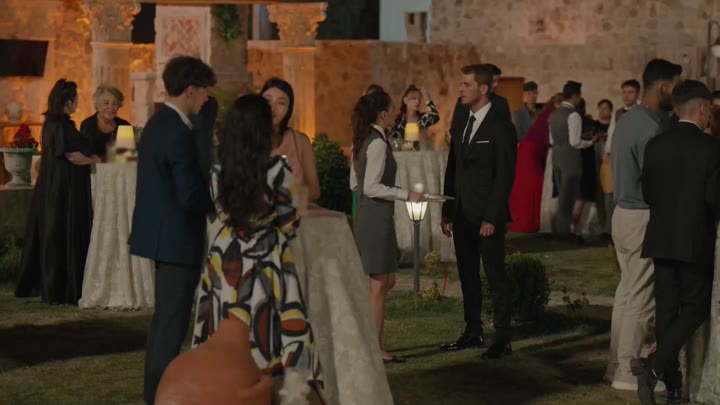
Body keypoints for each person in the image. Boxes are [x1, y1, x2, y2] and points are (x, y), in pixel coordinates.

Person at [192, 94, 322, 399]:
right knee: (271, 326)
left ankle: (227, 387)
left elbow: (220, 211)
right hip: (266, 254)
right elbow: (289, 221)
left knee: (227, 320)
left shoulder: (217, 170)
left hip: (226, 255)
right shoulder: (276, 169)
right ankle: (272, 388)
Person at [128, 56, 217, 405]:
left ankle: (156, 395)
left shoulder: (157, 123)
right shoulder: (177, 131)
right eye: (204, 92)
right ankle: (159, 396)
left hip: (162, 236)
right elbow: (189, 192)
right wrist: (218, 205)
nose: (207, 99)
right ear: (191, 90)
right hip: (176, 239)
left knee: (165, 322)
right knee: (171, 326)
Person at [631, 80, 719, 405]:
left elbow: (647, 193)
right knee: (695, 309)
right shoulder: (711, 147)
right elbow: (714, 199)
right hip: (694, 240)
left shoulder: (656, 144)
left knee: (667, 311)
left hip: (661, 237)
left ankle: (672, 386)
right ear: (702, 108)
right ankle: (654, 366)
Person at [606, 58, 682, 392]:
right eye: (676, 86)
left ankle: (615, 365)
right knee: (640, 298)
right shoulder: (651, 129)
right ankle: (628, 371)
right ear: (663, 87)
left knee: (626, 294)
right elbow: (657, 182)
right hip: (641, 215)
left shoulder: (628, 119)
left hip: (622, 212)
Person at [440, 64, 517, 359]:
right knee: (468, 276)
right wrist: (448, 209)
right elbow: (453, 166)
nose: (460, 89)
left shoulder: (501, 126)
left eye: (466, 84)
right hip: (461, 213)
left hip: (487, 217)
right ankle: (473, 331)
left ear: (483, 89)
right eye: (461, 84)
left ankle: (503, 337)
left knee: (495, 277)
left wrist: (491, 216)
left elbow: (504, 176)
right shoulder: (462, 120)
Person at [350, 89, 424, 363]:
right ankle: (375, 348)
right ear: (382, 114)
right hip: (376, 217)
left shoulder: (362, 140)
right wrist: (406, 194)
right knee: (379, 285)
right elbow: (370, 187)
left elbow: (354, 184)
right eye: (391, 109)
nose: (393, 114)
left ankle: (368, 340)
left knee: (385, 280)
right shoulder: (378, 144)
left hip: (368, 215)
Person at [14, 79, 100, 305]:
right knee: (61, 236)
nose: (78, 103)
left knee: (54, 236)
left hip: (53, 191)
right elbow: (74, 156)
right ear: (68, 102)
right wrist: (95, 158)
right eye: (76, 99)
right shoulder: (62, 127)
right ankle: (61, 289)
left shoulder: (53, 124)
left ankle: (55, 287)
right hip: (63, 193)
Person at [550, 81, 599, 237]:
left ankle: (560, 230)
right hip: (571, 160)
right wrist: (591, 142)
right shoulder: (573, 115)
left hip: (556, 157)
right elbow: (575, 142)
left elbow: (551, 139)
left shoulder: (553, 114)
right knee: (569, 198)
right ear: (576, 96)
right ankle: (564, 233)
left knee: (562, 197)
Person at [508, 93, 562, 233]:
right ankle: (528, 221)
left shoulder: (546, 113)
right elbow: (550, 138)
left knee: (526, 184)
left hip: (528, 149)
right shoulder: (552, 114)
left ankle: (524, 220)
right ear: (558, 104)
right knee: (534, 183)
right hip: (532, 151)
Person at [261, 78, 321, 202]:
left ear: (289, 110)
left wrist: (285, 197)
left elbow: (314, 190)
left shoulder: (300, 141)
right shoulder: (244, 139)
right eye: (267, 100)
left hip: (291, 210)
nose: (272, 108)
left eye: (281, 103)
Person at [79, 85, 131, 159]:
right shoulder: (87, 125)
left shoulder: (125, 125)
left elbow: (128, 156)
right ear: (97, 105)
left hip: (118, 166)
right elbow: (84, 155)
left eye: (115, 104)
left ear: (119, 106)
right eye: (106, 103)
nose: (111, 107)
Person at [603, 79, 642, 164]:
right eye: (624, 92)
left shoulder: (643, 111)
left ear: (638, 94)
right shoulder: (617, 113)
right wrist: (608, 151)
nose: (626, 95)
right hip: (622, 153)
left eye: (630, 92)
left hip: (639, 152)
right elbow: (611, 132)